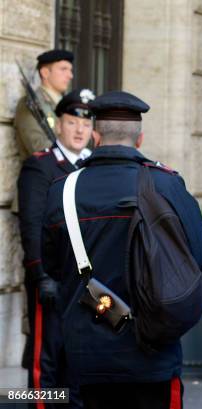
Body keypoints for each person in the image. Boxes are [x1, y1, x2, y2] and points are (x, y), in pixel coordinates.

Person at [41, 91, 202, 409]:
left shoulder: (61, 191)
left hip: (85, 359)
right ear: (140, 138)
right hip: (154, 354)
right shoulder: (167, 186)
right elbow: (201, 255)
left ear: (95, 135)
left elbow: (52, 266)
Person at [17, 88, 95, 408]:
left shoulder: (95, 166)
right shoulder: (42, 166)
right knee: (45, 361)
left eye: (86, 125)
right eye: (72, 122)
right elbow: (32, 223)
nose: (79, 131)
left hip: (87, 280)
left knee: (79, 357)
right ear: (58, 124)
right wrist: (40, 272)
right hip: (52, 277)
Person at [14, 49, 74, 161]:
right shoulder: (29, 104)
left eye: (70, 70)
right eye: (63, 69)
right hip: (43, 175)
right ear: (45, 73)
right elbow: (37, 146)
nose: (70, 75)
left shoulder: (69, 105)